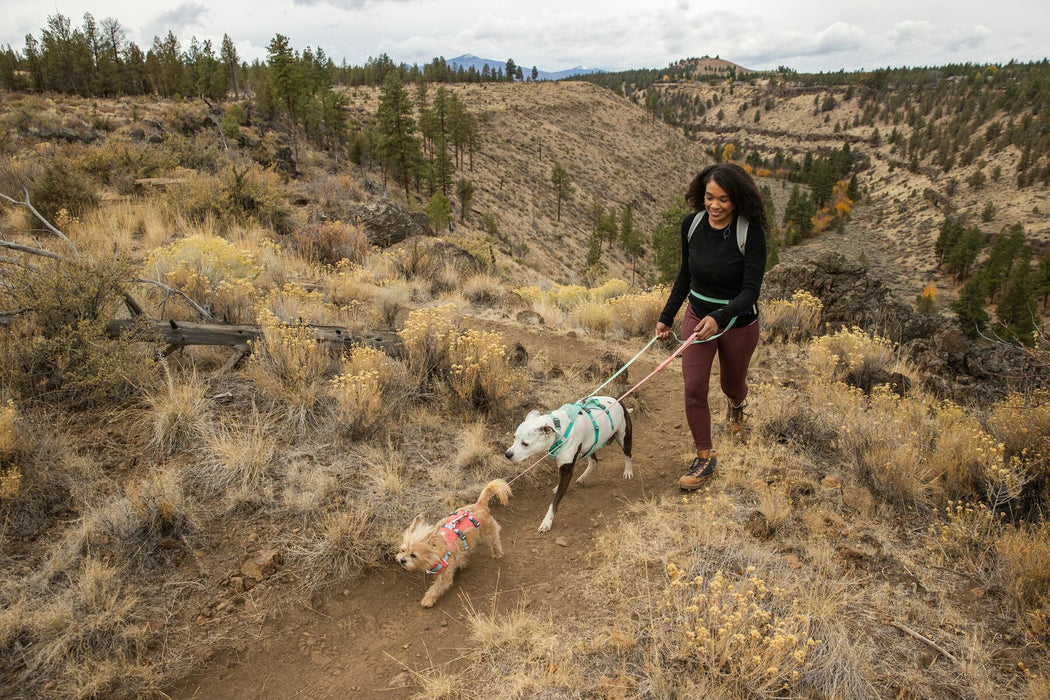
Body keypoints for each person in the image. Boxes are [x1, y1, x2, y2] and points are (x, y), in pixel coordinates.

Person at [655, 163, 768, 490]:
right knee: (693, 388)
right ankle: (705, 458)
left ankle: (737, 405)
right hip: (696, 318)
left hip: (738, 322)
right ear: (700, 196)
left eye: (724, 199)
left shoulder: (749, 232)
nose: (715, 206)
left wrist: (719, 318)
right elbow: (685, 274)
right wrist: (667, 315)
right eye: (709, 197)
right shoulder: (691, 225)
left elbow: (751, 292)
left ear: (738, 200)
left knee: (732, 385)